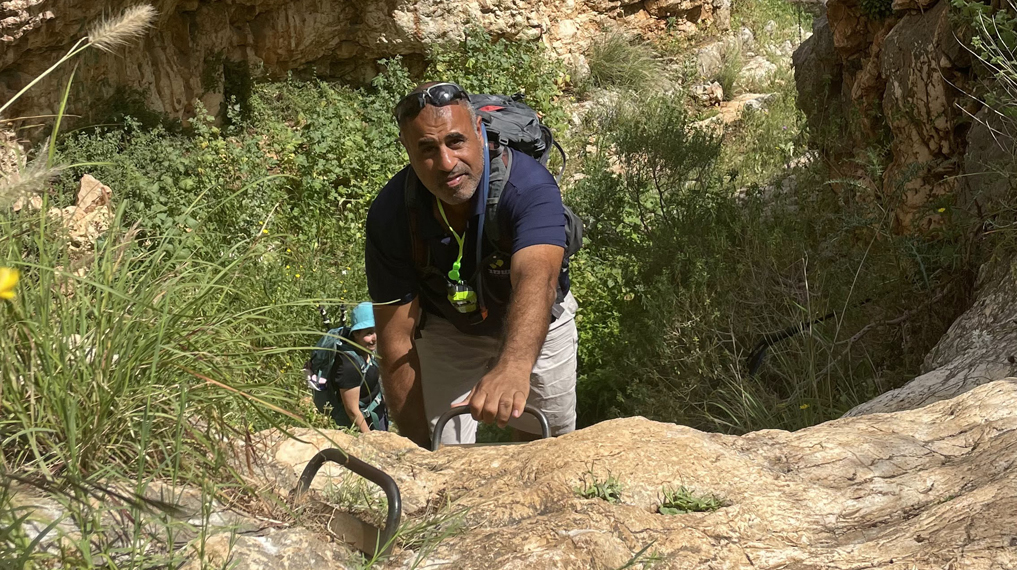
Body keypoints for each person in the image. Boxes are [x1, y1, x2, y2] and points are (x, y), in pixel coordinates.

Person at [365, 81, 579, 448]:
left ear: (479, 131)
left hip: (538, 316)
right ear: (407, 150)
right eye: (427, 149)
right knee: (441, 445)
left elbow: (537, 279)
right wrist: (420, 452)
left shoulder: (528, 185)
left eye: (455, 141)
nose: (446, 163)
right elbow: (396, 339)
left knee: (546, 444)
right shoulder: (392, 213)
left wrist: (513, 366)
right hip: (449, 326)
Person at [308, 302, 389, 433]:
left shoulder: (367, 349)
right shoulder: (349, 366)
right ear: (355, 334)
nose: (375, 338)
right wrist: (369, 437)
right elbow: (352, 411)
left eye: (377, 330)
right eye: (369, 333)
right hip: (364, 422)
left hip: (377, 410)